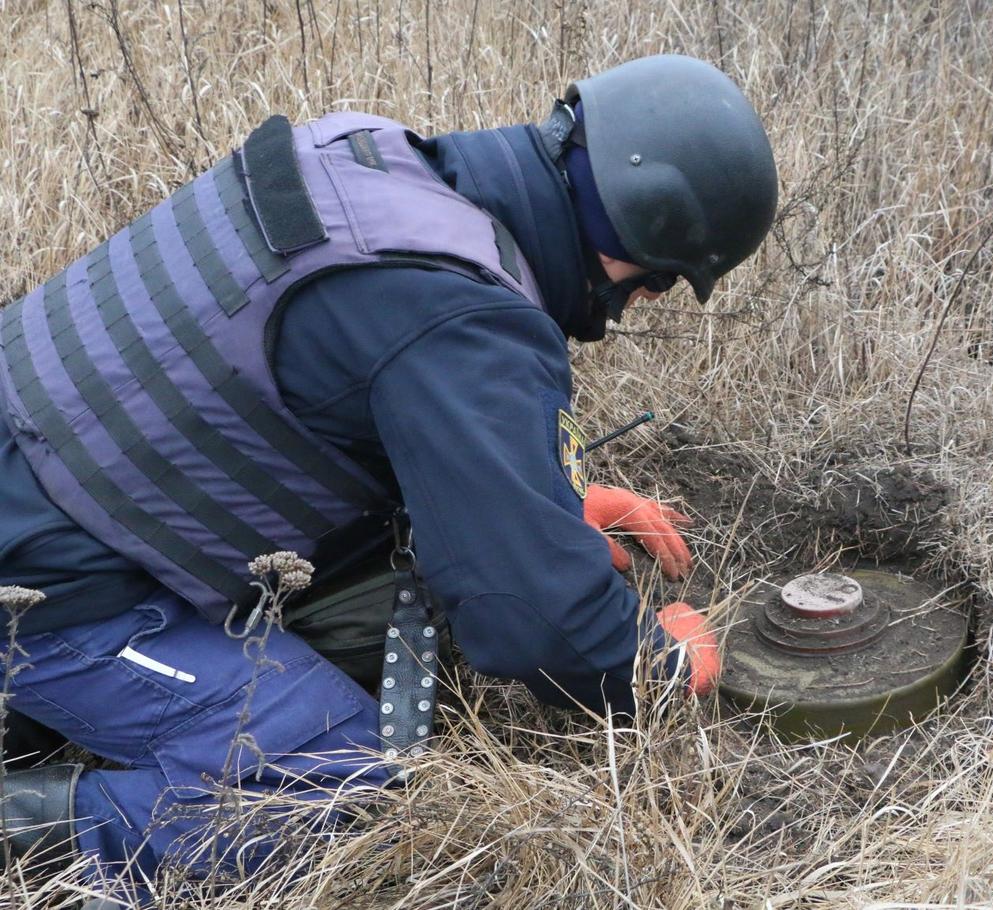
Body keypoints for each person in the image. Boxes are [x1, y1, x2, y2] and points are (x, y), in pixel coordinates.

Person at [0, 53, 778, 901]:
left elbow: (301, 393)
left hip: (36, 464)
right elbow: (538, 628)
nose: (643, 306)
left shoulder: (369, 155)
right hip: (38, 581)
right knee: (327, 786)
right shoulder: (465, 324)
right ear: (648, 244)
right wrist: (650, 667)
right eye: (661, 283)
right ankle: (34, 835)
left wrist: (544, 502)